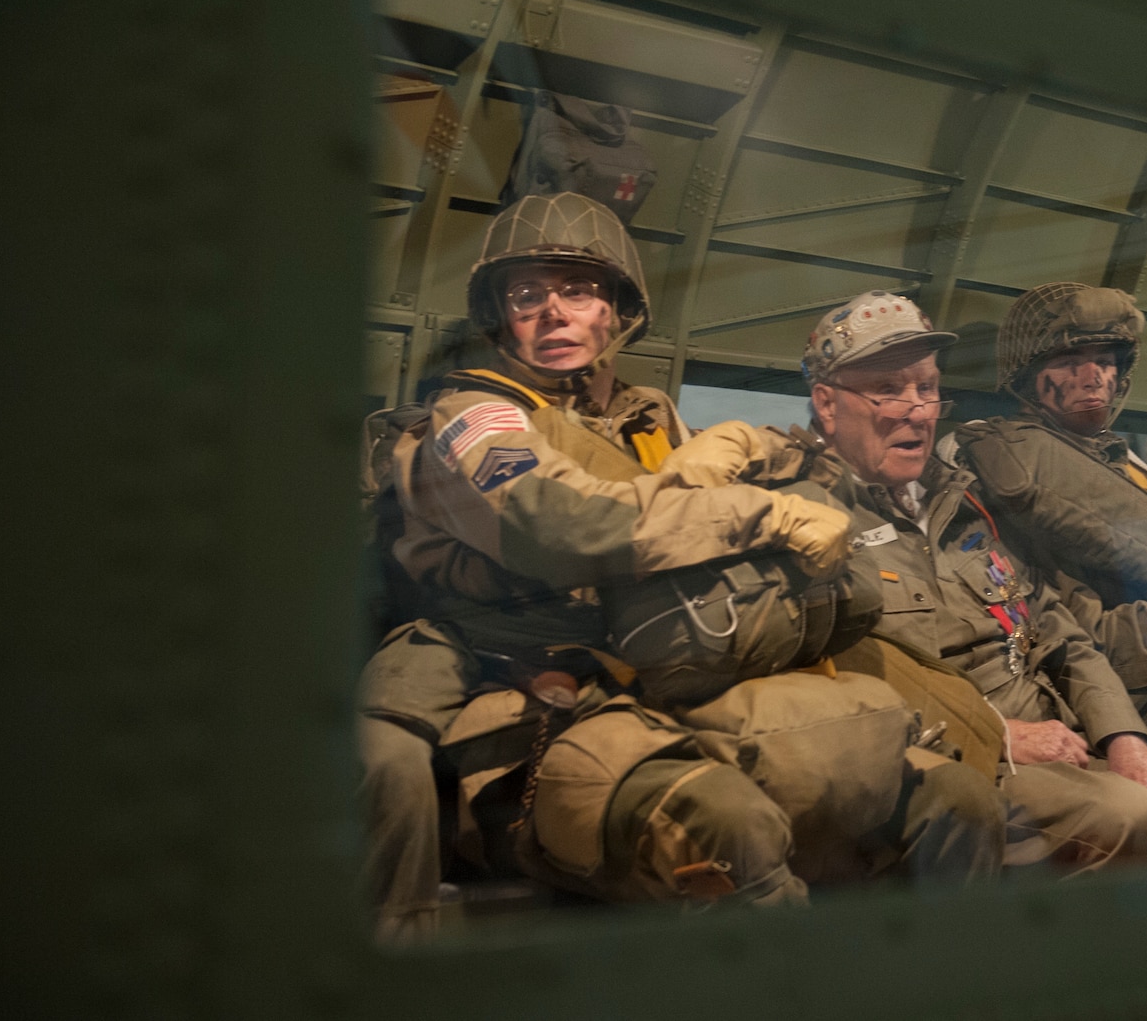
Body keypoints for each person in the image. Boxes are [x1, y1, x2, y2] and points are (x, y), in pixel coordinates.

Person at [358, 195, 1000, 941]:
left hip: (657, 660)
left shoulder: (649, 416)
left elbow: (719, 509)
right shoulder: (476, 416)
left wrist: (764, 453)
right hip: (500, 653)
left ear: (618, 310)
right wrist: (763, 515)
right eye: (526, 295)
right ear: (500, 316)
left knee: (951, 796)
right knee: (387, 763)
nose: (552, 313)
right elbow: (557, 525)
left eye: (578, 290)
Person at [797, 290, 1147, 871]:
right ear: (827, 405)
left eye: (926, 388)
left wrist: (1124, 740)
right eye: (888, 390)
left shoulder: (959, 501)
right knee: (1133, 821)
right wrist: (998, 734)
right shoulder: (807, 525)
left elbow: (1060, 633)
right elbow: (828, 694)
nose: (917, 410)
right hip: (961, 762)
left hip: (1069, 735)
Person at [946, 282, 1147, 778]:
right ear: (1028, 374)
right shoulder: (1015, 478)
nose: (1093, 376)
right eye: (1070, 359)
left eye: (1105, 359)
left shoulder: (1133, 470)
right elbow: (1075, 644)